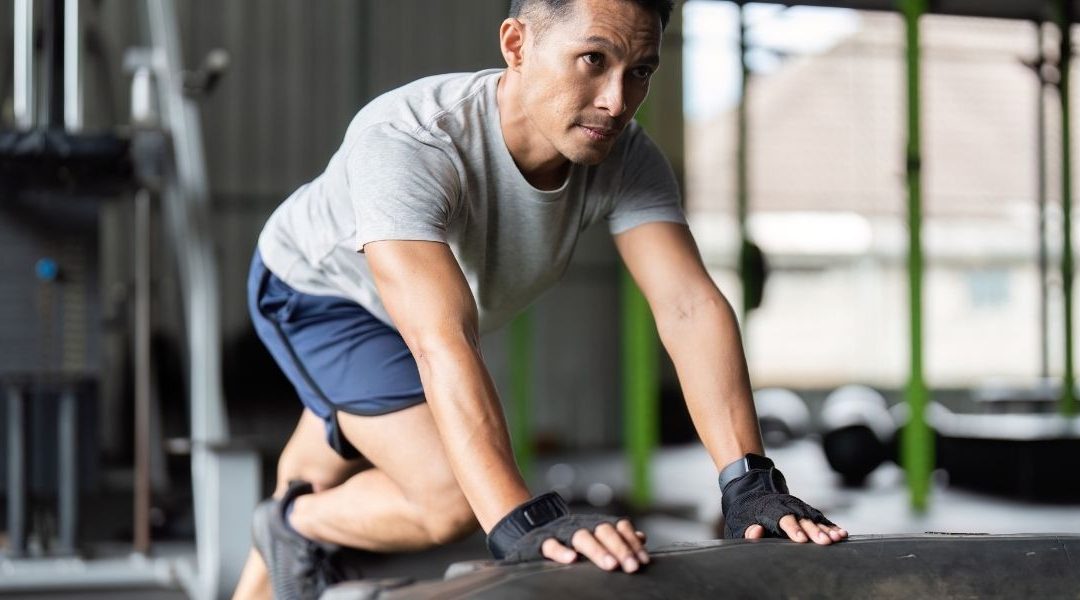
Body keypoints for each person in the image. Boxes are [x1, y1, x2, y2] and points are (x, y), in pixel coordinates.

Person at [233, 0, 846, 598]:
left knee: (310, 479)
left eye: (641, 72)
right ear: (517, 45)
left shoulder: (625, 155)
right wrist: (519, 519)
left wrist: (749, 480)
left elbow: (688, 306)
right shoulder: (411, 141)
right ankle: (299, 526)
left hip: (415, 312)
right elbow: (441, 341)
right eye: (592, 60)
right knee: (448, 497)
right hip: (322, 295)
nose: (616, 101)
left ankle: (287, 524)